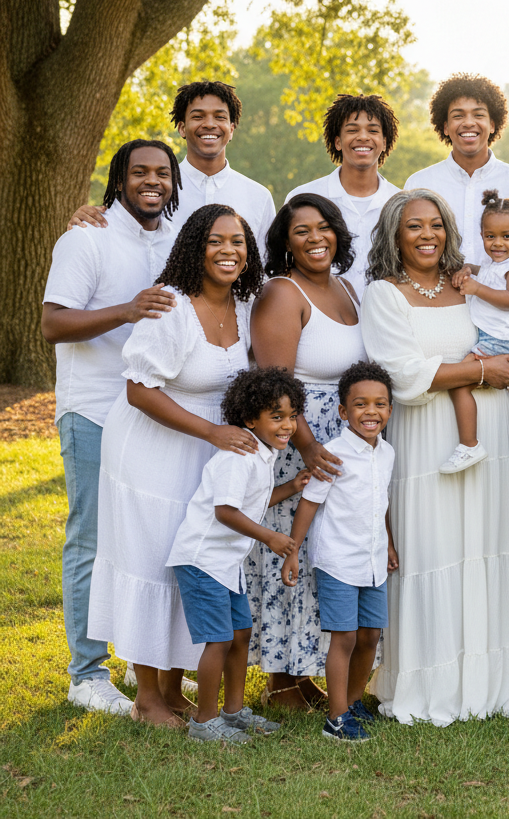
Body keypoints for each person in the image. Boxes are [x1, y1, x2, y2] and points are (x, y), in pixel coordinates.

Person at [360, 188, 509, 725]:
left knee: (488, 544)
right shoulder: (384, 294)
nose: (428, 235)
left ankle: (493, 683)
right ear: (394, 234)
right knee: (431, 550)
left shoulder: (469, 284)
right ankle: (430, 680)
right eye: (414, 226)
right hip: (424, 436)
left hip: (491, 434)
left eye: (436, 224)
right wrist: (484, 372)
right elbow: (401, 373)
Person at [88, 203, 264, 727]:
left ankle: (173, 687)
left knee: (188, 559)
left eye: (238, 241)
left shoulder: (245, 305)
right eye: (216, 241)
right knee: (151, 560)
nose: (229, 251)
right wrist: (212, 431)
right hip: (152, 448)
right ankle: (146, 696)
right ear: (195, 247)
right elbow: (140, 390)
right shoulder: (172, 308)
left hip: (206, 452)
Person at [41, 139, 180, 716]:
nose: (153, 181)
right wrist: (126, 310)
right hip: (95, 409)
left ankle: (138, 659)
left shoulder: (174, 241)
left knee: (146, 538)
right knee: (92, 539)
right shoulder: (85, 238)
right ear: (118, 179)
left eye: (162, 173)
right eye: (140, 172)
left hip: (151, 412)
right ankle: (86, 672)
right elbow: (53, 324)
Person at [247, 193, 366, 709]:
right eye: (301, 231)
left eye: (324, 227)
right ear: (284, 242)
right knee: (289, 552)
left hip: (340, 443)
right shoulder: (281, 292)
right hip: (297, 443)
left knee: (324, 556)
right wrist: (310, 445)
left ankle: (305, 673)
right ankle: (281, 682)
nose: (316, 238)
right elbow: (274, 387)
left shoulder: (345, 288)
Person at [167, 366, 309, 743]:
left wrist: (292, 485)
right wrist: (271, 538)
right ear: (250, 418)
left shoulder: (262, 455)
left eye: (292, 416)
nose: (287, 425)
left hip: (226, 563)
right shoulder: (238, 456)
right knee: (220, 639)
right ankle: (204, 721)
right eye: (276, 416)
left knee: (241, 632)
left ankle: (232, 712)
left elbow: (255, 502)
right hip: (202, 560)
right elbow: (225, 512)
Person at [282, 361, 399, 743]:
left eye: (379, 404)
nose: (371, 412)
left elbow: (379, 503)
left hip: (373, 561)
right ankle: (335, 719)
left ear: (389, 410)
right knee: (345, 638)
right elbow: (309, 505)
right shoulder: (332, 455)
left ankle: (351, 703)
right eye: (361, 404)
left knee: (370, 635)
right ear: (343, 411)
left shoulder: (387, 454)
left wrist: (390, 544)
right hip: (338, 561)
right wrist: (293, 550)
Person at [67, 81, 276, 256]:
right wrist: (85, 217)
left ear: (231, 130)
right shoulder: (155, 190)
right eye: (198, 116)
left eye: (220, 117)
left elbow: (268, 272)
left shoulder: (259, 197)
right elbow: (118, 230)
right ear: (182, 128)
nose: (210, 124)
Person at [444, 190, 509, 474]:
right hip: (494, 338)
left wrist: (475, 288)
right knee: (467, 382)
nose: (497, 243)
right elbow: (481, 270)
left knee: (460, 381)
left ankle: (469, 444)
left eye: (506, 237)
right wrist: (466, 269)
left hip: (503, 341)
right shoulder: (493, 263)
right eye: (490, 236)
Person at [285, 93, 402, 296]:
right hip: (320, 317)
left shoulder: (401, 203)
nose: (363, 137)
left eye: (372, 130)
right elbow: (285, 265)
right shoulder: (303, 197)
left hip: (387, 318)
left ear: (384, 143)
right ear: (337, 142)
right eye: (352, 130)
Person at [404, 74, 509, 266]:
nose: (468, 122)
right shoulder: (419, 184)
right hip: (437, 295)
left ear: (492, 125)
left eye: (478, 115)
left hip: (502, 294)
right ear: (445, 127)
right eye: (458, 115)